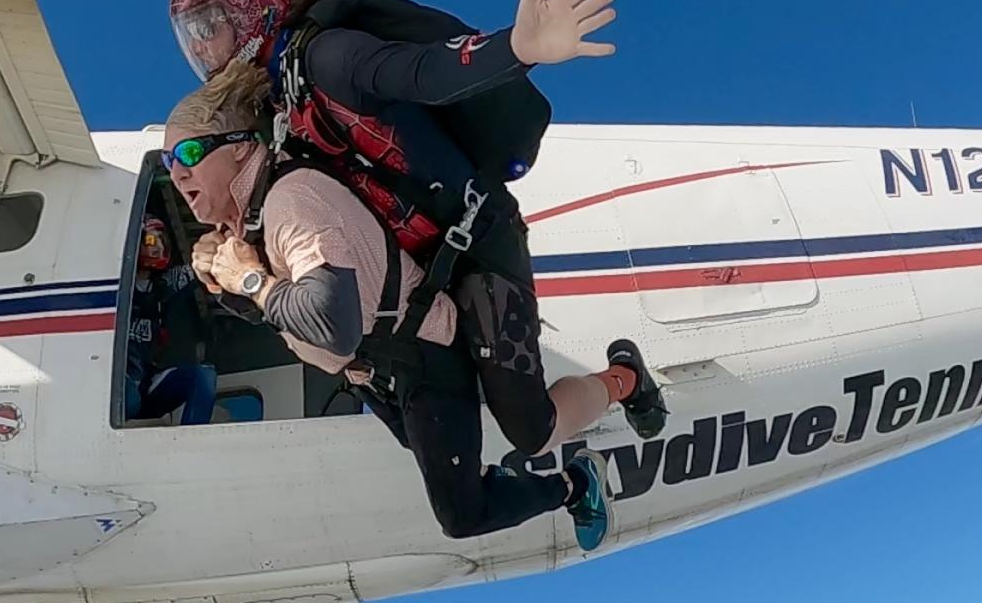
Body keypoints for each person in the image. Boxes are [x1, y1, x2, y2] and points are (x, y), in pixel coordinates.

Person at [167, 0, 669, 458]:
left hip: (477, 244)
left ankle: (624, 379)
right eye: (190, 37)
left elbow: (419, 72)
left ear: (251, 8)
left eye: (207, 26)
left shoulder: (326, 58)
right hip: (416, 267)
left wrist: (517, 48)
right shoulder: (275, 107)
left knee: (530, 429)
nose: (201, 50)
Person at [162, 67, 635, 548]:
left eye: (190, 152)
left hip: (421, 356)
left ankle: (580, 474)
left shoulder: (291, 203)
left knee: (463, 512)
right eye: (168, 159)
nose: (176, 171)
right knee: (431, 449)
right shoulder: (255, 222)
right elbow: (281, 315)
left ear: (241, 146)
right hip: (380, 371)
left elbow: (331, 323)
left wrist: (249, 279)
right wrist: (227, 287)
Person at [123, 217, 218, 425]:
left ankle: (190, 444)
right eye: (149, 241)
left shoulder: (164, 284)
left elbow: (198, 269)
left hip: (145, 384)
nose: (157, 247)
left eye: (161, 240)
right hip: (117, 387)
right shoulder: (115, 284)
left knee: (204, 375)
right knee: (129, 400)